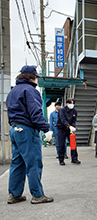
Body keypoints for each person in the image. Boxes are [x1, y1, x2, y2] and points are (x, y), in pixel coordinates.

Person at [6, 65, 54, 204]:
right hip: (27, 131)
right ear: (31, 77)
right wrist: (46, 129)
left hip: (15, 129)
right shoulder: (30, 90)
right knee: (33, 163)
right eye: (36, 77)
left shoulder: (13, 91)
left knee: (17, 163)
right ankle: (38, 195)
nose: (36, 80)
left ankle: (14, 195)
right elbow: (35, 113)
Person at [57, 99, 81, 165]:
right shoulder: (62, 110)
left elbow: (74, 120)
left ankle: (74, 159)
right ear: (67, 104)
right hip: (61, 128)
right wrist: (69, 126)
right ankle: (61, 159)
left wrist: (72, 127)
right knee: (61, 144)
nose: (72, 105)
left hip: (70, 129)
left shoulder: (74, 111)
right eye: (71, 103)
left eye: (73, 104)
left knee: (73, 143)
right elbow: (63, 119)